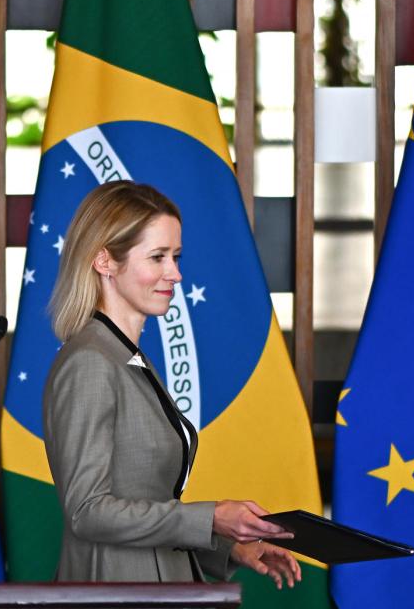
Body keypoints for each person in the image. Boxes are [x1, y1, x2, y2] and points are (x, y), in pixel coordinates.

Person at [43, 181, 301, 587]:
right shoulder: (91, 362)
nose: (175, 274)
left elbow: (147, 506)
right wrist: (212, 516)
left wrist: (226, 544)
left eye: (176, 257)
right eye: (158, 257)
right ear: (104, 261)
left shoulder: (126, 356)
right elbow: (87, 511)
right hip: (115, 598)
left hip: (156, 592)